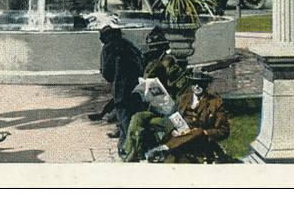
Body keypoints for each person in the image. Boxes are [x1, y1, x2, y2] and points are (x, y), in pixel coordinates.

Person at [122, 28, 190, 162]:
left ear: (162, 48)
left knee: (148, 121)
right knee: (137, 117)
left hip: (170, 111)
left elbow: (178, 88)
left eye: (155, 48)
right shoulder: (152, 61)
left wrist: (165, 86)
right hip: (155, 108)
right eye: (151, 48)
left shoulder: (169, 63)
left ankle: (135, 151)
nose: (152, 51)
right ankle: (130, 150)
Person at [144, 71, 231, 163]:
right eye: (194, 83)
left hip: (200, 141)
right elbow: (171, 117)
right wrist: (173, 131)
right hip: (179, 137)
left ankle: (164, 148)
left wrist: (205, 132)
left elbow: (224, 131)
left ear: (206, 85)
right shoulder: (183, 98)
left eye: (200, 83)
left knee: (198, 132)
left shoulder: (215, 103)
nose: (197, 86)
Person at [99, 25, 144, 155]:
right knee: (132, 117)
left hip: (121, 89)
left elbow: (106, 72)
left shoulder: (108, 48)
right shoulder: (128, 45)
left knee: (124, 119)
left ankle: (129, 149)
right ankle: (130, 146)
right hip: (135, 87)